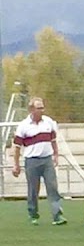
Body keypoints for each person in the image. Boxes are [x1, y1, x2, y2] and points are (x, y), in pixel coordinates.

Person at [11, 97, 67, 226]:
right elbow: (17, 147)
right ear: (31, 109)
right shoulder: (23, 126)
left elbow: (53, 140)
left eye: (42, 107)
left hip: (47, 160)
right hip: (31, 161)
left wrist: (56, 155)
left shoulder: (49, 122)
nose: (42, 110)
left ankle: (57, 215)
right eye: (39, 108)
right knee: (33, 189)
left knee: (53, 187)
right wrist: (16, 165)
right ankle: (33, 214)